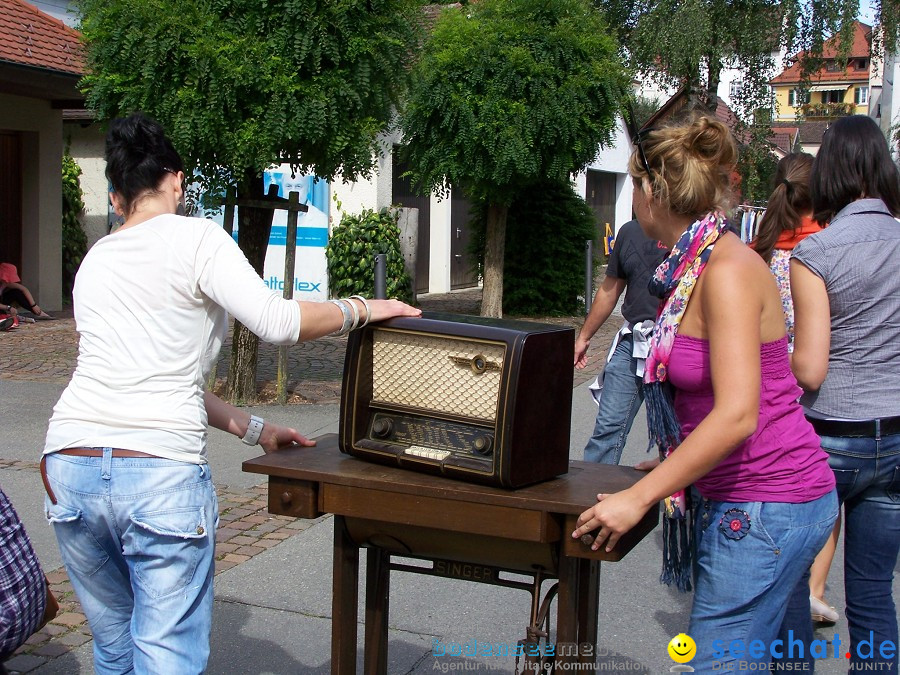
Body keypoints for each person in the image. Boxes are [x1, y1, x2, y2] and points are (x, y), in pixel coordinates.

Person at [41, 113, 420, 674]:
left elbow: (149, 375)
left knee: (115, 649)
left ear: (117, 197)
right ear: (177, 180)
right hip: (157, 470)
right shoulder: (197, 237)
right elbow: (276, 320)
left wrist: (257, 430)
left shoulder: (95, 260)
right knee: (165, 657)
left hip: (68, 463)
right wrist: (363, 308)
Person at [571, 116, 837, 671]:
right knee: (783, 662)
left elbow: (740, 413)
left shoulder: (726, 269)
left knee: (720, 661)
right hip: (769, 498)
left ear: (651, 192)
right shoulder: (695, 263)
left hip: (765, 501)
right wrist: (677, 458)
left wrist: (638, 498)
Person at [790, 114, 900, 674]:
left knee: (791, 589)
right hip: (898, 434)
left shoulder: (818, 254)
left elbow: (809, 369)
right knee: (874, 593)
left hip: (833, 438)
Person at [751, 153, 841, 625]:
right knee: (824, 495)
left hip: (765, 393)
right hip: (815, 391)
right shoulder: (826, 252)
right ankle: (811, 589)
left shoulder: (758, 251)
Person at [574, 219, 667, 464]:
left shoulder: (696, 232)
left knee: (677, 439)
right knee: (607, 431)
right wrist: (583, 337)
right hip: (632, 343)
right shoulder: (631, 231)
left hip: (677, 346)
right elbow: (609, 290)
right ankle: (591, 495)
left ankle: (674, 498)